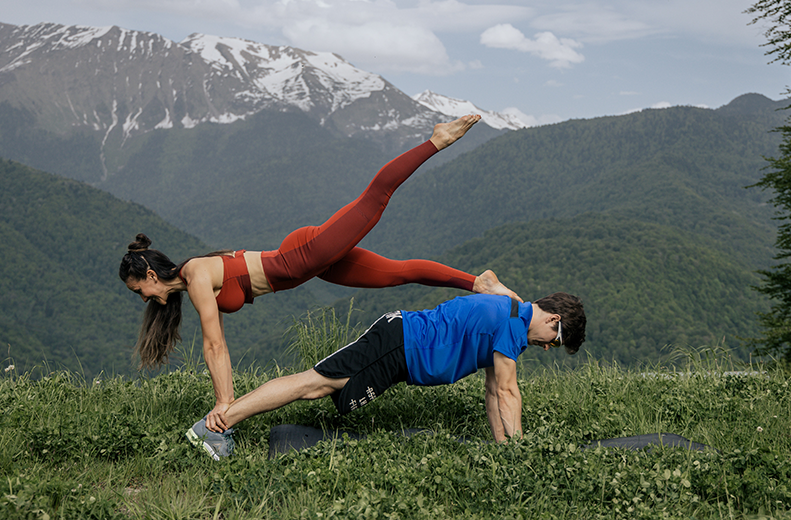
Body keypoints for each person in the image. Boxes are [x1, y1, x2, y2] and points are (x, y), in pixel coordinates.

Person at [119, 115, 522, 432]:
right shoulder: (193, 279)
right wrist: (226, 398)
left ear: (151, 274)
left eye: (139, 290)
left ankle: (435, 141)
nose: (144, 299)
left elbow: (215, 346)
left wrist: (226, 404)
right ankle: (476, 282)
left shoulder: (196, 275)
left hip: (303, 256)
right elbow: (216, 345)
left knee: (374, 200)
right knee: (397, 274)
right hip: (308, 266)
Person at [185, 292, 587, 459]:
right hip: (399, 345)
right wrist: (520, 456)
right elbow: (508, 391)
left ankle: (219, 424)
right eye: (557, 336)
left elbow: (493, 392)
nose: (549, 345)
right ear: (552, 318)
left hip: (401, 346)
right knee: (314, 383)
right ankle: (216, 426)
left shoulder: (512, 315)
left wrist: (502, 449)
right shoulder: (514, 324)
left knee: (317, 384)